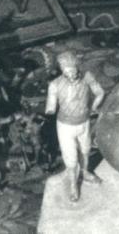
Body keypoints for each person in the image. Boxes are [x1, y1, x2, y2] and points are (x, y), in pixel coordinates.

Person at [45, 49, 106, 202]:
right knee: (71, 158)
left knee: (85, 150)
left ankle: (85, 172)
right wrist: (50, 107)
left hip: (84, 122)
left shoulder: (87, 77)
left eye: (73, 70)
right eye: (67, 72)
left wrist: (94, 107)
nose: (71, 74)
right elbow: (50, 107)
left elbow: (100, 92)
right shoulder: (55, 85)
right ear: (62, 71)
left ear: (78, 67)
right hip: (65, 126)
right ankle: (73, 184)